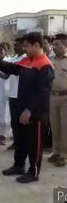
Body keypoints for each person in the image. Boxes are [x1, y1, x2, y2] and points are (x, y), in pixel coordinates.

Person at [0, 32, 54, 183]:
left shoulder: (45, 65)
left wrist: (29, 110)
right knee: (20, 139)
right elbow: (11, 68)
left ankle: (33, 172)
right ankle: (18, 165)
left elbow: (43, 93)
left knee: (34, 144)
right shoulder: (27, 61)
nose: (24, 48)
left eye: (27, 46)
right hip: (21, 107)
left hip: (35, 113)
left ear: (37, 45)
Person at [48, 33, 67, 167]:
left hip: (66, 97)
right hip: (52, 96)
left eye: (57, 44)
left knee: (65, 127)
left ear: (65, 46)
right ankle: (55, 152)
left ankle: (64, 155)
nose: (54, 47)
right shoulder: (50, 60)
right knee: (54, 125)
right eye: (53, 44)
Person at [7, 37, 27, 150]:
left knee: (22, 122)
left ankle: (23, 144)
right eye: (14, 45)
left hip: (22, 95)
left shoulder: (27, 59)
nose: (15, 47)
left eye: (18, 45)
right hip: (12, 94)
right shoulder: (13, 59)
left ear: (24, 46)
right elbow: (6, 74)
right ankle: (16, 142)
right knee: (14, 122)